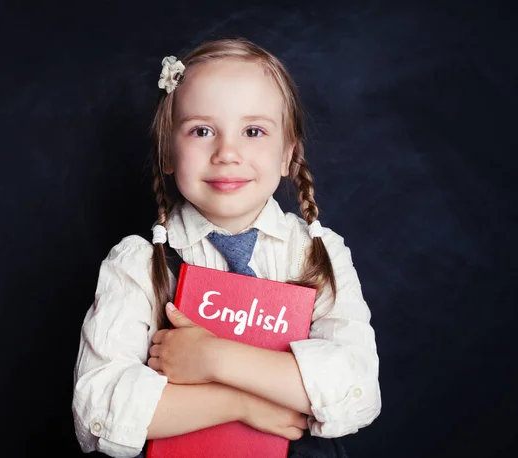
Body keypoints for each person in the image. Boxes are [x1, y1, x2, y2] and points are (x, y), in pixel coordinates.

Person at [72, 37, 381, 458]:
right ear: (168, 150)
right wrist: (243, 403)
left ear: (289, 151)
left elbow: (356, 390)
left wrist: (213, 358)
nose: (227, 153)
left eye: (253, 131)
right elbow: (97, 410)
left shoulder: (318, 253)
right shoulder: (138, 264)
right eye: (202, 130)